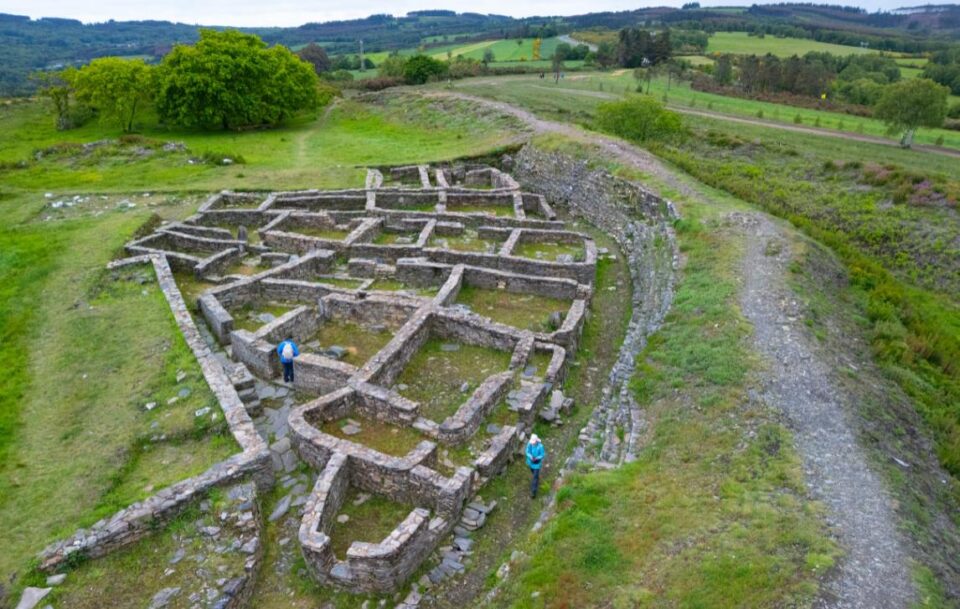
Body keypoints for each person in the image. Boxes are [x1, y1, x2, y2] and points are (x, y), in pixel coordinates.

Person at [525, 434, 545, 498]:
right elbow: (527, 451)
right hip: (531, 462)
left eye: (534, 442)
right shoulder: (529, 444)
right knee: (533, 472)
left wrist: (537, 458)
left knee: (535, 477)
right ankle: (536, 477)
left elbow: (542, 454)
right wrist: (531, 456)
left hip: (537, 463)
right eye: (532, 442)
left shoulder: (540, 446)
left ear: (536, 441)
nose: (533, 443)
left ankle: (533, 492)